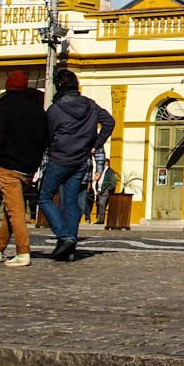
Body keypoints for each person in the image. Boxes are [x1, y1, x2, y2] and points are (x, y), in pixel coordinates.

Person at [40, 69, 115, 262]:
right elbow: (109, 122)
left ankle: (65, 237)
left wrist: (52, 147)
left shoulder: (55, 110)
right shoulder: (90, 105)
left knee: (45, 198)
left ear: (59, 86)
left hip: (60, 160)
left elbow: (46, 136)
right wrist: (95, 145)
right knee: (71, 203)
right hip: (81, 161)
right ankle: (69, 249)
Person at [0, 71, 49, 268]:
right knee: (14, 210)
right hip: (29, 169)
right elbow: (45, 141)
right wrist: (35, 163)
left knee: (16, 212)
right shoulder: (39, 111)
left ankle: (23, 252)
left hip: (8, 167)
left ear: (8, 86)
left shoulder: (3, 108)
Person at [93, 158, 119, 225]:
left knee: (102, 203)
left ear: (107, 163)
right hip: (99, 190)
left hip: (105, 191)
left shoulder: (110, 171)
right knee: (99, 204)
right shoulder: (101, 171)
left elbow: (113, 182)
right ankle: (99, 218)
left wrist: (108, 189)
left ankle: (101, 219)